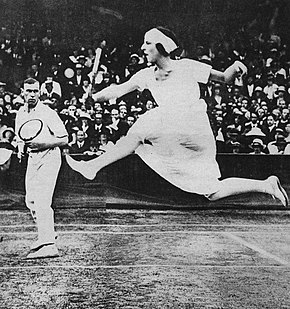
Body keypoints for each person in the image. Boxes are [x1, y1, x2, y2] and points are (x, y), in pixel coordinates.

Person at [66, 27, 288, 207]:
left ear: (162, 46)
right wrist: (94, 98)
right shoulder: (145, 75)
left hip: (196, 131)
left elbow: (224, 78)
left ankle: (92, 166)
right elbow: (117, 90)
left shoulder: (188, 66)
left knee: (142, 127)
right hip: (175, 134)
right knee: (211, 192)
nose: (142, 48)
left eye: (148, 43)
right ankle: (265, 185)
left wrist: (236, 66)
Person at [15, 78, 68, 259]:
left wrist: (43, 143)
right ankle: (47, 233)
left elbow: (64, 138)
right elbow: (20, 137)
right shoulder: (20, 112)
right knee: (30, 200)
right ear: (22, 91)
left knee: (42, 201)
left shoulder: (48, 112)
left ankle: (49, 246)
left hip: (50, 156)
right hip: (33, 158)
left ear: (40, 92)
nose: (31, 95)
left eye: (35, 91)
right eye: (28, 91)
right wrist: (21, 149)